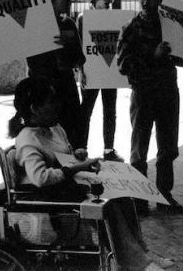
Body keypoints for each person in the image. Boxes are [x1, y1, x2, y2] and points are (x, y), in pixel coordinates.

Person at [9, 76, 163, 271]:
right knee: (108, 203)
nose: (58, 105)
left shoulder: (55, 128)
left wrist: (77, 156)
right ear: (34, 108)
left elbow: (65, 155)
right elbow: (40, 178)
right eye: (51, 102)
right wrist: (73, 168)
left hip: (70, 184)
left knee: (124, 195)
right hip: (52, 196)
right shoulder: (28, 140)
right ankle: (134, 261)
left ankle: (140, 252)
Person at [117, 0, 183, 216]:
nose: (145, 3)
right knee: (139, 149)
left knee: (168, 147)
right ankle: (140, 198)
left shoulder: (170, 26)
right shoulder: (131, 27)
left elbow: (180, 53)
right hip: (143, 94)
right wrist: (153, 55)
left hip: (167, 93)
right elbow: (123, 64)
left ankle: (163, 195)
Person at [0, 0, 85, 149]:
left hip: (67, 91)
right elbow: (8, 42)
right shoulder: (30, 26)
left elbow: (79, 59)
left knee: (72, 139)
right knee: (45, 142)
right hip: (42, 93)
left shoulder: (69, 25)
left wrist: (67, 46)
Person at [77, 0, 123, 162]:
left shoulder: (115, 18)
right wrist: (81, 70)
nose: (108, 1)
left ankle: (109, 149)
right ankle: (82, 147)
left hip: (109, 70)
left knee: (110, 110)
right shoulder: (83, 19)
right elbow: (80, 46)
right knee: (86, 110)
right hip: (91, 70)